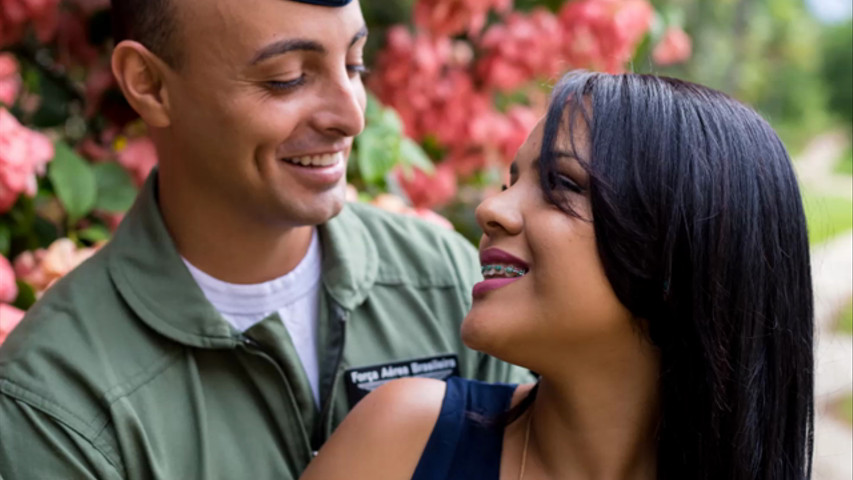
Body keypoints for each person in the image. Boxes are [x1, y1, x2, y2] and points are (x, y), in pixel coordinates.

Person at [0, 0, 530, 478]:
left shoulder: (445, 282)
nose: (350, 115)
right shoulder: (56, 396)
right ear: (149, 84)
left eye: (355, 65)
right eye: (287, 78)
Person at [300, 71, 815, 480]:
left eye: (561, 184)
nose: (491, 209)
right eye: (510, 181)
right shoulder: (406, 440)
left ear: (676, 257)